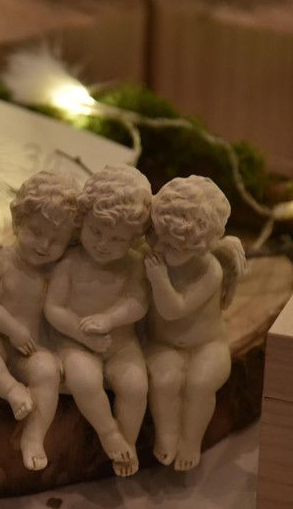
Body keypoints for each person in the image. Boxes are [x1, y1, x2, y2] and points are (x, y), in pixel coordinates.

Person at [0, 171, 79, 470]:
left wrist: (57, 350)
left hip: (33, 351)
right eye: (36, 232)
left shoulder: (57, 271)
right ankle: (12, 390)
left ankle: (33, 436)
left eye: (56, 240)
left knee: (47, 371)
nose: (44, 245)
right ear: (17, 221)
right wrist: (13, 330)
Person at [44, 165, 151, 477]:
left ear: (134, 238)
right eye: (96, 232)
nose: (103, 243)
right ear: (83, 220)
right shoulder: (69, 262)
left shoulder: (133, 265)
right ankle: (108, 432)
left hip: (121, 345)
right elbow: (54, 308)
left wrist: (110, 319)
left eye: (117, 239)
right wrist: (83, 335)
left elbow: (138, 302)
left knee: (136, 386)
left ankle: (128, 444)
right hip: (76, 342)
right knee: (84, 380)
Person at [145, 175, 246, 470]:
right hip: (163, 344)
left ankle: (191, 440)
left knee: (199, 385)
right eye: (161, 238)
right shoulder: (158, 252)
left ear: (201, 246)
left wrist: (159, 279)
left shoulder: (210, 271)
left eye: (175, 247)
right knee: (164, 381)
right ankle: (167, 436)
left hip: (206, 346)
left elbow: (174, 309)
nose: (164, 250)